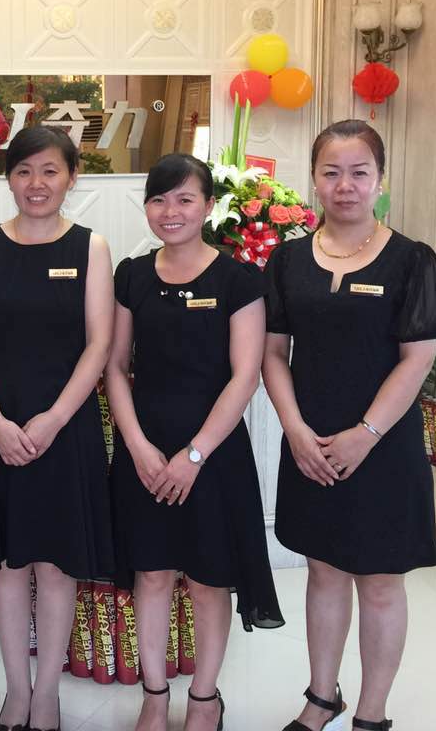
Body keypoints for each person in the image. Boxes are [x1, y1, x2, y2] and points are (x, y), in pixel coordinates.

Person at [263, 120, 436, 731]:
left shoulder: (412, 261)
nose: (344, 185)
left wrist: (366, 433)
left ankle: (372, 712)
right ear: (314, 180)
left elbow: (416, 360)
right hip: (312, 443)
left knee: (380, 581)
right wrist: (294, 430)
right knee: (323, 571)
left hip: (384, 447)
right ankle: (322, 698)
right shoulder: (288, 260)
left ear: (379, 179)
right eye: (331, 172)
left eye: (359, 172)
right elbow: (273, 353)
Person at [106, 153, 283, 731]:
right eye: (159, 199)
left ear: (208, 206)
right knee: (151, 575)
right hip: (145, 451)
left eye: (185, 199)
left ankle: (205, 699)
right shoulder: (132, 275)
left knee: (209, 581)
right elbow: (116, 367)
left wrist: (195, 454)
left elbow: (245, 376)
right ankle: (154, 696)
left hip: (215, 454)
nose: (170, 211)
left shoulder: (239, 280)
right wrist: (137, 446)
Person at [0, 125, 115, 731]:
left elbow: (99, 344)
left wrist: (54, 419)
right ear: (9, 178)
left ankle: (47, 695)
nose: (36, 183)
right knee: (9, 563)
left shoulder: (92, 247)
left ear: (72, 177)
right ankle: (16, 690)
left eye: (49, 171)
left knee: (56, 563)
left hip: (64, 424)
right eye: (23, 171)